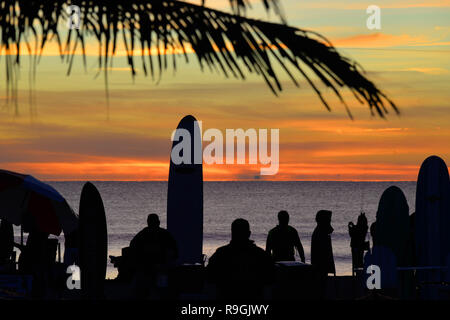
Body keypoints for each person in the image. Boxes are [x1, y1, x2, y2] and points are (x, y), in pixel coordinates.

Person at [207, 218, 275, 299]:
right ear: (249, 234)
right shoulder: (261, 255)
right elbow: (271, 279)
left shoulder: (220, 254)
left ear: (232, 233)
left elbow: (209, 276)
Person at [129, 214, 178, 297]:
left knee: (143, 292)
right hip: (159, 268)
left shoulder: (142, 234)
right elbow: (174, 251)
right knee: (161, 291)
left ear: (148, 222)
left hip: (147, 268)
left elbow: (132, 247)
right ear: (158, 222)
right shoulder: (165, 234)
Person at [311, 210, 335, 298]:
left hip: (321, 266)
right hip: (320, 266)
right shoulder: (320, 233)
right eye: (328, 220)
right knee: (320, 287)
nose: (329, 223)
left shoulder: (321, 231)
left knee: (322, 287)